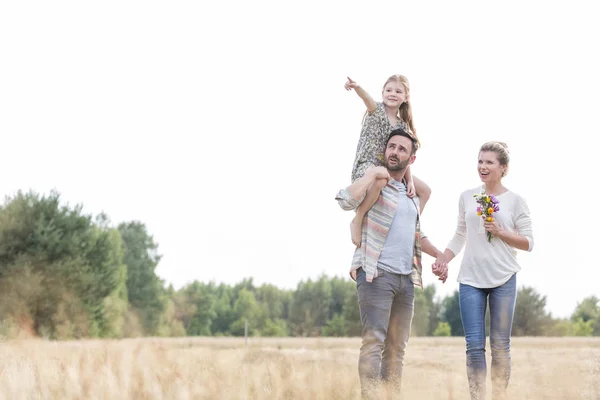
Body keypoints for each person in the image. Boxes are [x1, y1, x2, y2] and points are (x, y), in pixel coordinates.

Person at [336, 128, 447, 398]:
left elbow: (416, 234)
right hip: (376, 274)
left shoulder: (411, 197)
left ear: (411, 159)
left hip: (406, 279)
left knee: (397, 348)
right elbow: (344, 199)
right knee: (374, 342)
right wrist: (373, 173)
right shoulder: (377, 184)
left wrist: (441, 256)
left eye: (402, 149)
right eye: (392, 146)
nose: (395, 152)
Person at [433, 141, 534, 400]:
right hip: (470, 279)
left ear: (503, 168)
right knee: (474, 347)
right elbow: (459, 236)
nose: (483, 166)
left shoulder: (516, 201)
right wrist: (443, 259)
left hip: (503, 278)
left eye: (489, 162)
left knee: (500, 347)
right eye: (480, 161)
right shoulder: (467, 197)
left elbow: (528, 243)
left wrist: (501, 232)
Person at [345, 75, 432, 248]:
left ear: (406, 97)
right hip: (368, 167)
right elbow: (366, 98)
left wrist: (410, 180)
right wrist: (357, 87)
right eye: (389, 90)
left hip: (388, 169)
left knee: (425, 190)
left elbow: (404, 158)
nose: (393, 94)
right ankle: (358, 218)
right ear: (382, 92)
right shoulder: (376, 111)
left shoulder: (402, 126)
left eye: (398, 91)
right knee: (381, 178)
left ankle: (409, 226)